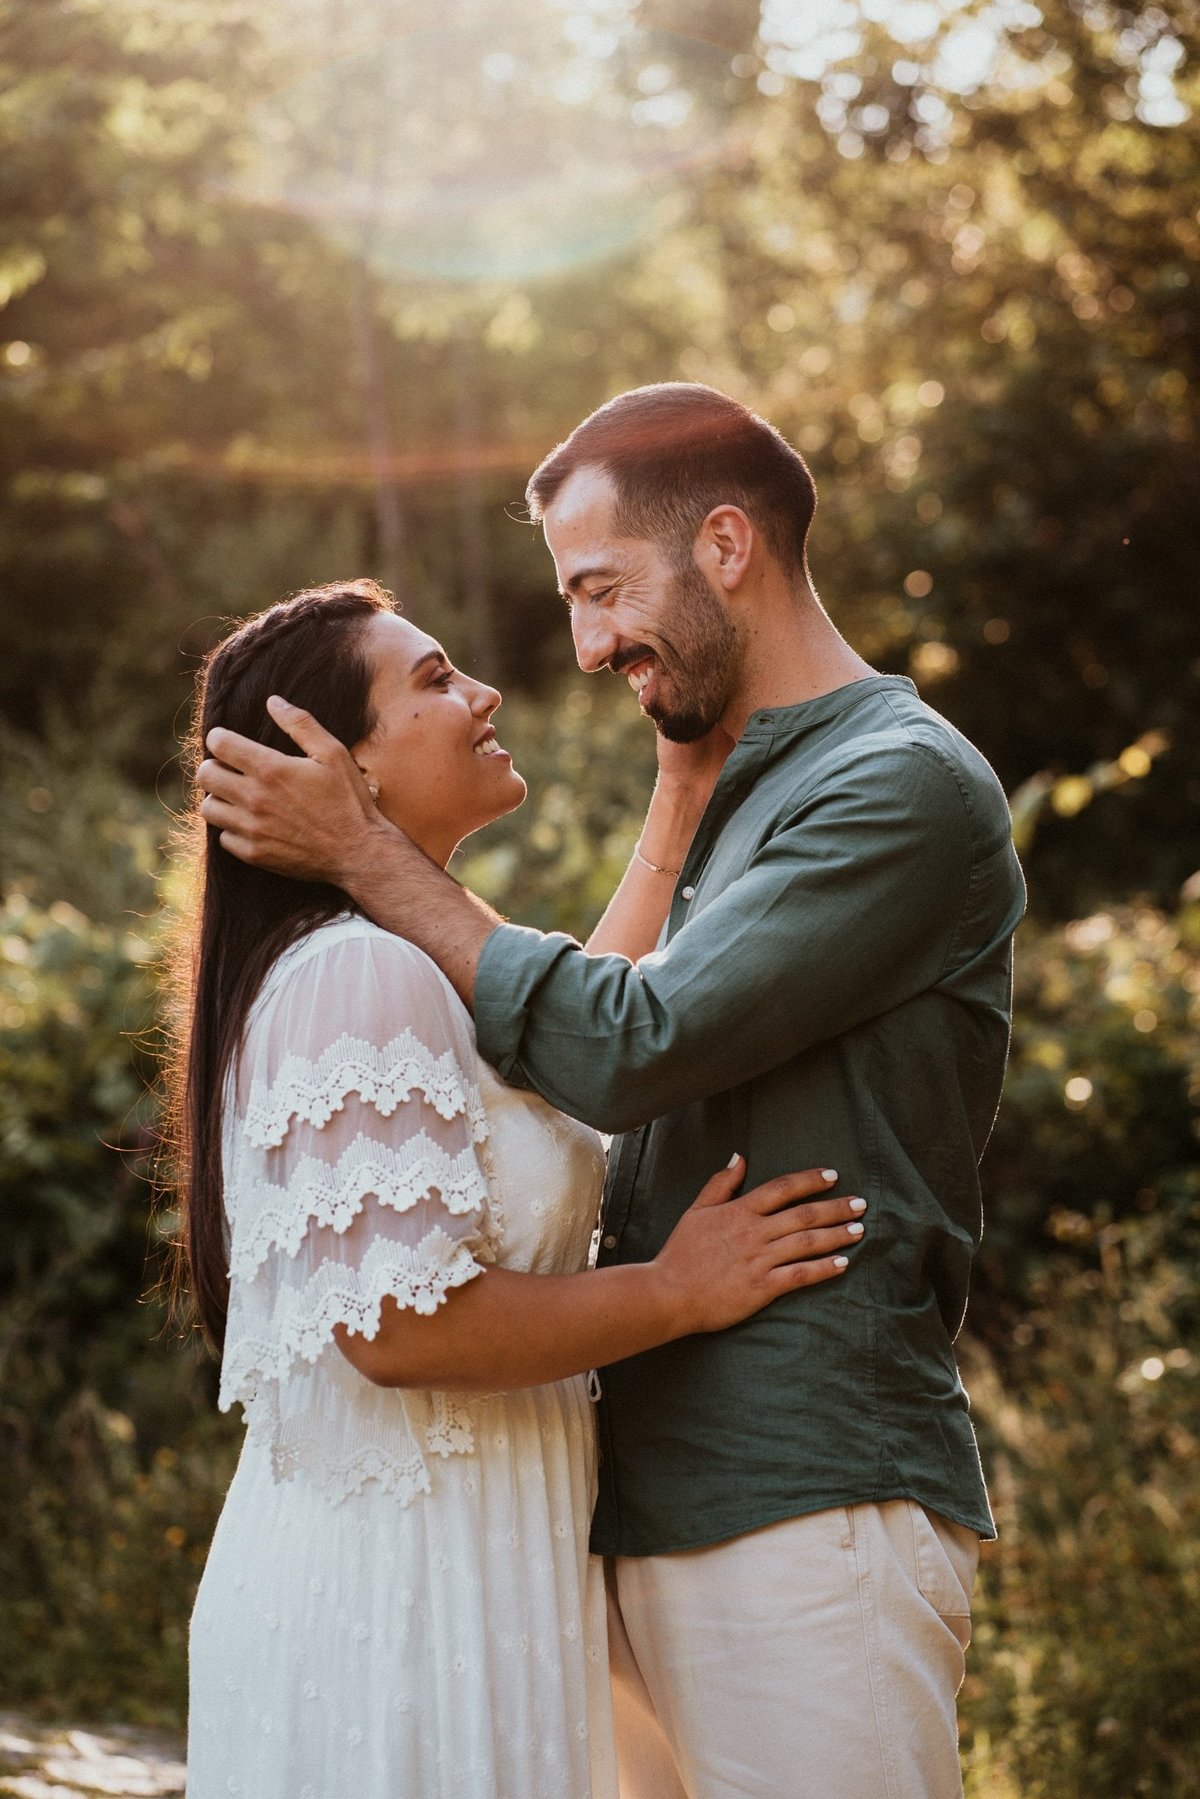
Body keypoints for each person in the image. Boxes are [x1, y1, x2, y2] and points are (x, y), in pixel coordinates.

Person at [197, 384, 1027, 1799]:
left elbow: (627, 1042)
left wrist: (371, 854)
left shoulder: (895, 786)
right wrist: (670, 804)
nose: (583, 647)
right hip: (620, 1518)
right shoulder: (740, 793)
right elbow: (573, 1046)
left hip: (801, 1497)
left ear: (723, 544)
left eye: (601, 589)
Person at [173, 577, 866, 1799]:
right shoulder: (354, 977)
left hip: (483, 1563)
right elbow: (399, 1328)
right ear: (348, 769)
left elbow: (582, 1043)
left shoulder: (410, 969)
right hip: (400, 1598)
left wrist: (679, 804)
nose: (484, 692)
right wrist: (674, 1291)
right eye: (434, 679)